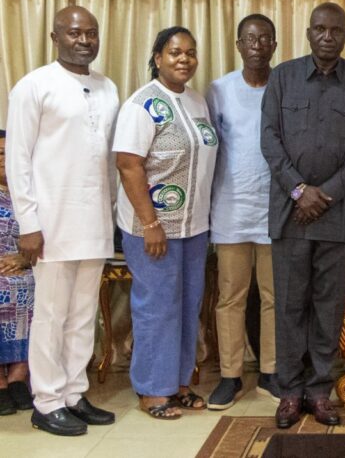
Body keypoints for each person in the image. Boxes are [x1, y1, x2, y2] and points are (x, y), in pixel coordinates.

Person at [261, 2, 345, 429]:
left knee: (328, 307)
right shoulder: (282, 78)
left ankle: (319, 391)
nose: (327, 36)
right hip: (291, 213)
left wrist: (324, 194)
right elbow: (269, 139)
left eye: (335, 30)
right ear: (308, 33)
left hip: (338, 214)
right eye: (319, 29)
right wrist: (299, 190)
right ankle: (290, 392)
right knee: (290, 306)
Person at [5, 6, 119, 436]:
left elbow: (109, 161)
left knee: (83, 315)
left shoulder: (107, 87)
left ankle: (74, 393)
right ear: (55, 37)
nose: (84, 40)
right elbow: (18, 161)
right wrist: (28, 225)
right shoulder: (34, 86)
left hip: (94, 220)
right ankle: (47, 401)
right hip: (50, 224)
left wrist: (112, 213)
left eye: (91, 32)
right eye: (74, 33)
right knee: (51, 316)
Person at [114, 26, 218, 420]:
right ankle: (152, 390)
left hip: (194, 226)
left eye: (190, 52)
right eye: (175, 52)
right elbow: (128, 165)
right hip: (153, 228)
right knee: (157, 307)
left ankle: (179, 384)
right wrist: (150, 223)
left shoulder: (197, 101)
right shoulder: (141, 105)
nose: (184, 59)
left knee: (188, 306)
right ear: (158, 58)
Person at [206, 14, 280, 411]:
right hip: (231, 208)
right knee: (230, 297)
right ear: (238, 45)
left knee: (273, 296)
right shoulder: (219, 90)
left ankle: (270, 371)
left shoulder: (284, 86)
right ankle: (230, 376)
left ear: (274, 45)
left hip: (274, 209)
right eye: (250, 39)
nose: (257, 45)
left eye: (265, 38)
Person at [0, 129, 34, 416]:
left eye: (7, 154)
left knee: (34, 286)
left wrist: (25, 259)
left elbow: (49, 237)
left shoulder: (32, 195)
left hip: (28, 266)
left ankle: (19, 375)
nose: (3, 159)